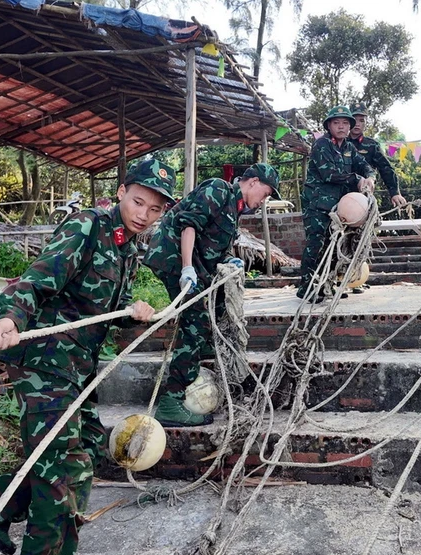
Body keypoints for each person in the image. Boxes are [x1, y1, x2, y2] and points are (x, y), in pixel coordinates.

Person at [0, 160, 177, 555]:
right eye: (138, 202)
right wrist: (9, 318)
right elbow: (34, 279)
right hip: (45, 364)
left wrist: (132, 310)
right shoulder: (86, 227)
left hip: (78, 366)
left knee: (85, 449)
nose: (144, 215)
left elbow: (109, 310)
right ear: (121, 192)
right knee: (62, 472)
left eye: (155, 210)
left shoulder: (129, 248)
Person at [143, 163, 281, 427]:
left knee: (216, 310)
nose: (264, 201)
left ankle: (204, 350)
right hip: (173, 258)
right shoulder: (219, 189)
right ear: (252, 182)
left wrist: (231, 261)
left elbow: (219, 247)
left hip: (198, 267)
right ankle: (171, 401)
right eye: (265, 193)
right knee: (195, 322)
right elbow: (189, 226)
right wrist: (186, 267)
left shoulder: (235, 209)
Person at [298, 105, 375, 303]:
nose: (341, 127)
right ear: (329, 126)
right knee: (316, 244)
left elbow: (364, 165)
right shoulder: (321, 145)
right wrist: (357, 179)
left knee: (334, 246)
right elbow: (328, 174)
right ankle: (305, 287)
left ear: (350, 126)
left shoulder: (349, 147)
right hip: (317, 204)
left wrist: (370, 176)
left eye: (345, 123)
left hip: (338, 207)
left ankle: (327, 284)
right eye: (336, 123)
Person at [348, 102, 407, 293]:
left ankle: (357, 277)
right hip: (342, 197)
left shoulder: (371, 145)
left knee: (361, 238)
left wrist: (394, 192)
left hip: (364, 198)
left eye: (361, 120)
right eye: (355, 120)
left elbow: (386, 169)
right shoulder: (338, 142)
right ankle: (338, 278)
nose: (357, 124)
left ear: (366, 123)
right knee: (339, 237)